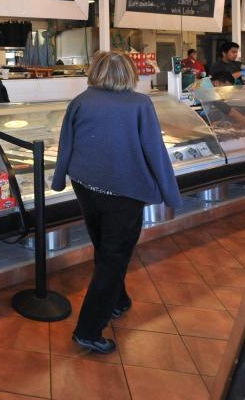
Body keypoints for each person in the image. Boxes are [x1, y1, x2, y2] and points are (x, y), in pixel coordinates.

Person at [51, 51, 181, 354]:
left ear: (96, 72)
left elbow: (66, 143)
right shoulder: (139, 104)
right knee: (114, 255)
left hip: (86, 186)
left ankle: (117, 300)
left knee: (105, 248)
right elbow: (155, 151)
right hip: (124, 192)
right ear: (129, 74)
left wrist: (59, 180)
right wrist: (171, 194)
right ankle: (88, 330)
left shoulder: (81, 100)